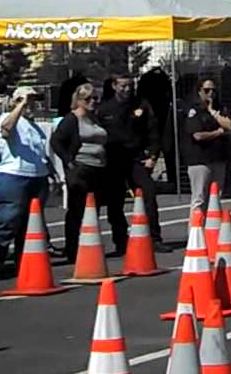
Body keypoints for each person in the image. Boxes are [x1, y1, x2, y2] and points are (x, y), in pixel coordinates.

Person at [0, 85, 51, 274]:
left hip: (37, 176)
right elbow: (6, 130)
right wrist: (21, 105)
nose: (32, 105)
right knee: (7, 220)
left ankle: (24, 260)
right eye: (28, 101)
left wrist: (49, 171)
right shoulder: (7, 118)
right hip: (14, 175)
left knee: (29, 224)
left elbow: (40, 152)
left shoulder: (34, 126)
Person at [48, 84, 115, 264]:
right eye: (88, 99)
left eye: (95, 98)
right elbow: (56, 141)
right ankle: (72, 249)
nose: (93, 102)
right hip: (81, 169)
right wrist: (68, 161)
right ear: (78, 100)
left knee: (94, 210)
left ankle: (89, 246)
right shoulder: (71, 119)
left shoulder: (95, 119)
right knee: (77, 210)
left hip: (98, 168)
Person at [96, 73, 159, 251]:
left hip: (137, 158)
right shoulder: (104, 108)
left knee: (149, 194)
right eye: (123, 86)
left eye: (130, 85)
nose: (127, 89)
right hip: (113, 160)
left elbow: (153, 131)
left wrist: (153, 156)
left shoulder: (142, 105)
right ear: (115, 85)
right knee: (115, 202)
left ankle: (154, 238)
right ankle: (121, 240)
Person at [181, 77, 231, 215]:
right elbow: (197, 135)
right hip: (200, 159)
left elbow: (229, 125)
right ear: (199, 91)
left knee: (215, 197)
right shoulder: (194, 110)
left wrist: (213, 112)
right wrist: (218, 132)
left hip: (218, 158)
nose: (210, 93)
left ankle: (213, 231)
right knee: (200, 198)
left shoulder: (220, 108)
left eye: (213, 90)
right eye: (206, 90)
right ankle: (195, 233)